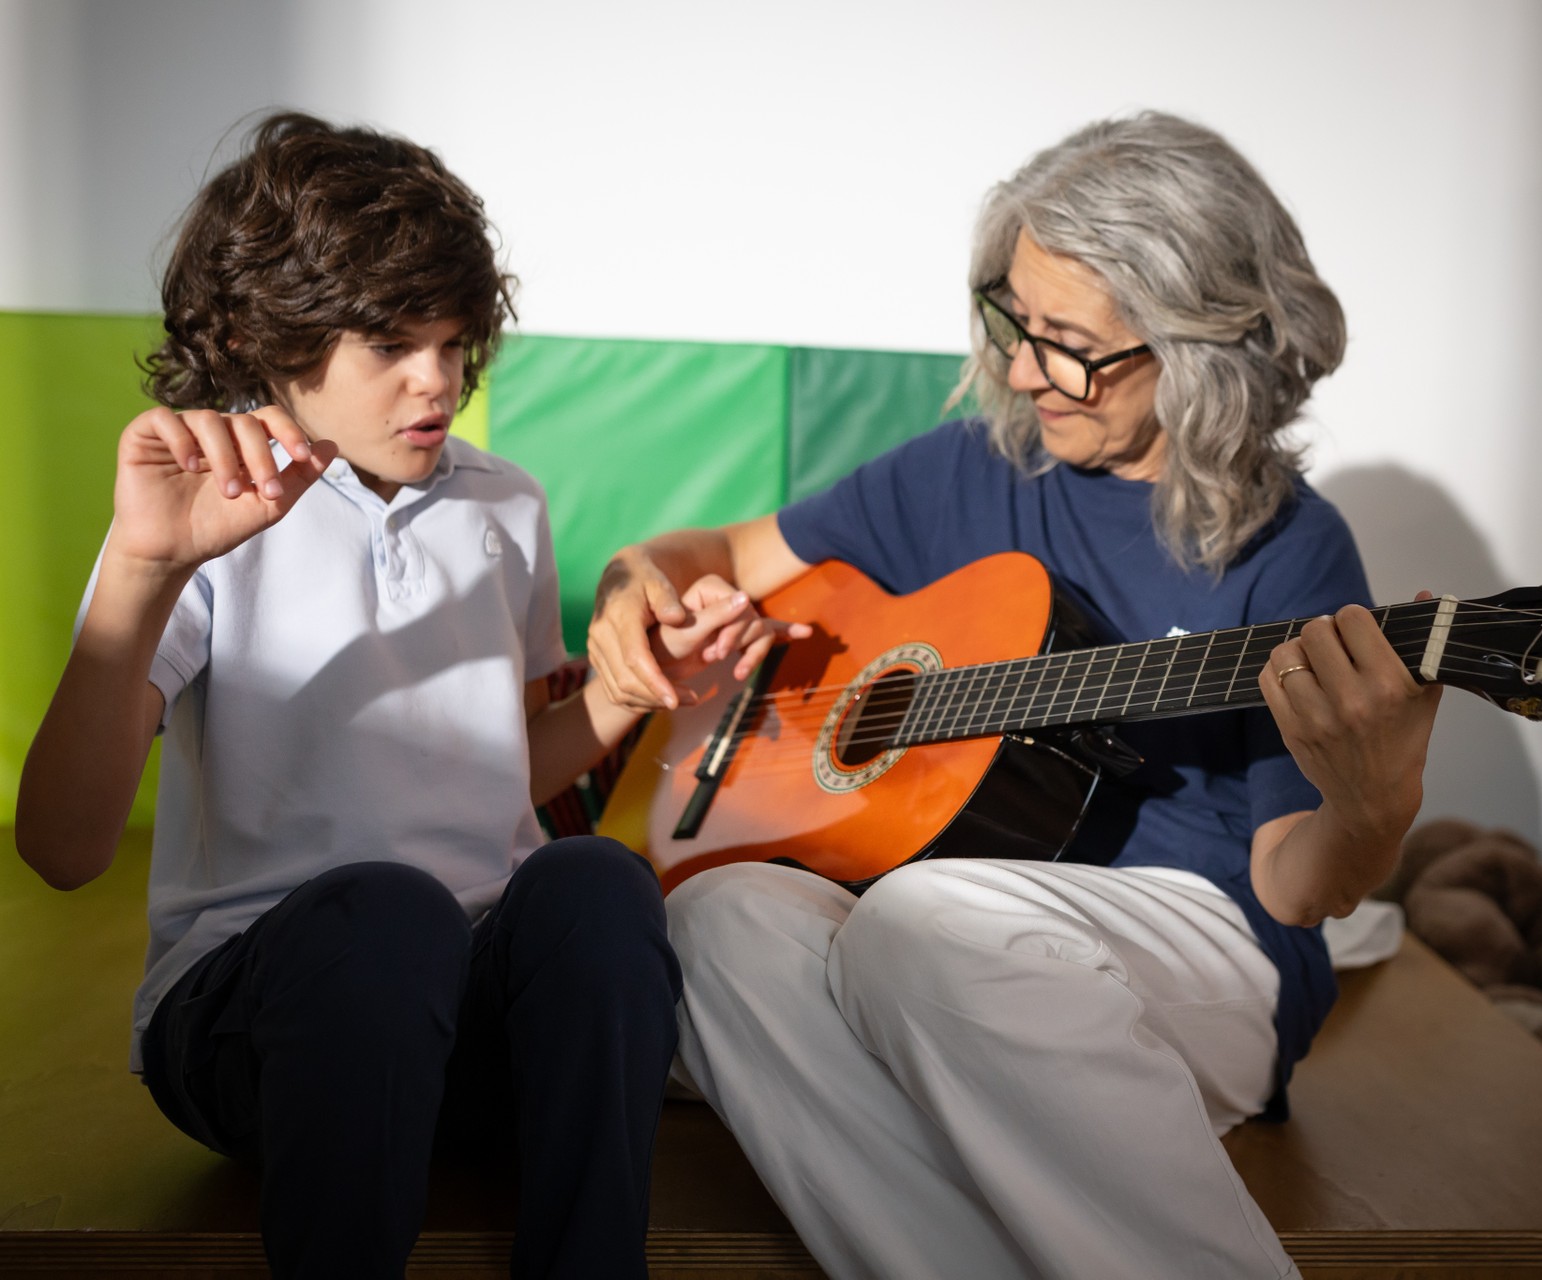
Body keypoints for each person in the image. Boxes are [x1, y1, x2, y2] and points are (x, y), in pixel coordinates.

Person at [587, 112, 1442, 1280]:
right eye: (1015, 323)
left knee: (920, 917)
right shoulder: (967, 469)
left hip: (1198, 940)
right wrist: (635, 584)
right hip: (943, 951)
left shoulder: (1288, 549)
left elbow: (1295, 888)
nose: (1025, 370)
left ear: (1197, 349)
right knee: (716, 914)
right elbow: (718, 555)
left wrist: (1373, 805)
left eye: (1072, 344)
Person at [11, 112, 735, 1279]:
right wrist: (148, 570)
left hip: (468, 1023)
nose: (437, 380)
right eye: (392, 344)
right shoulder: (193, 520)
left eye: (455, 343)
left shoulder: (504, 504)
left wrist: (626, 694)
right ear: (264, 335)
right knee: (385, 916)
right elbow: (58, 845)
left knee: (596, 878)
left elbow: (493, 767)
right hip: (258, 1022)